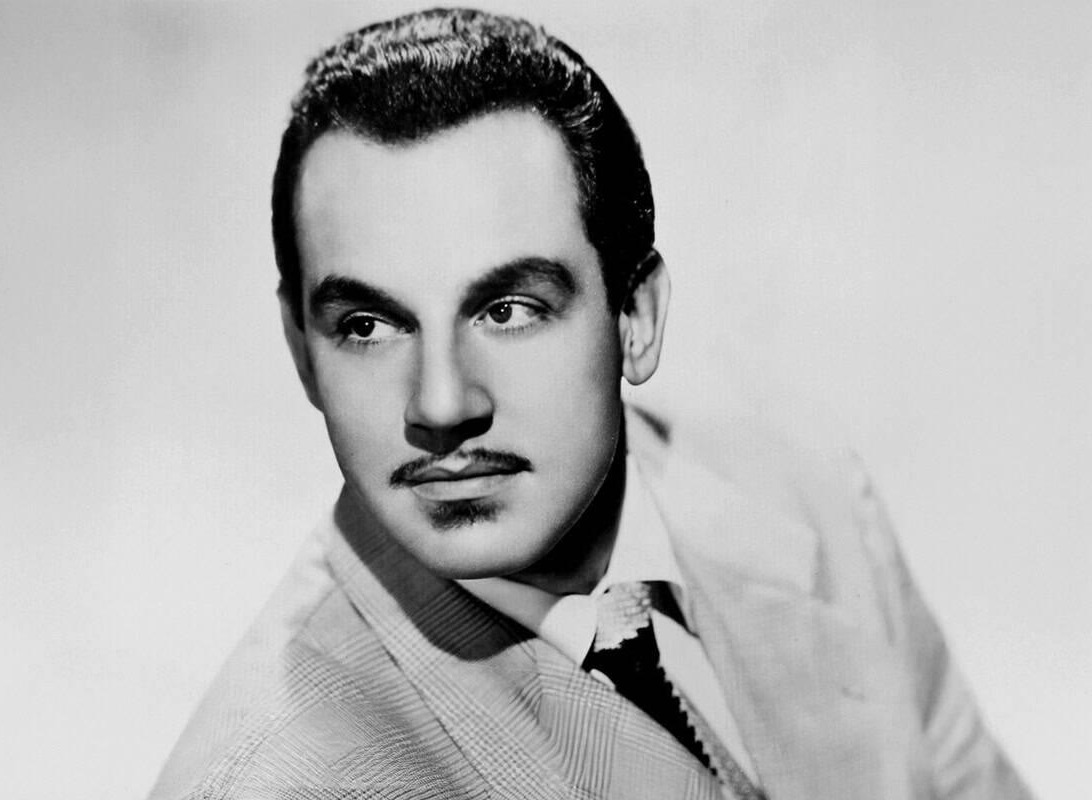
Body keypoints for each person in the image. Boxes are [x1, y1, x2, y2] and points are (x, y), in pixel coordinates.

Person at [150, 9, 1031, 799]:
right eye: (369, 325)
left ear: (636, 317)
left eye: (509, 311)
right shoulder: (274, 777)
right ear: (302, 350)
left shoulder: (808, 494)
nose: (442, 403)